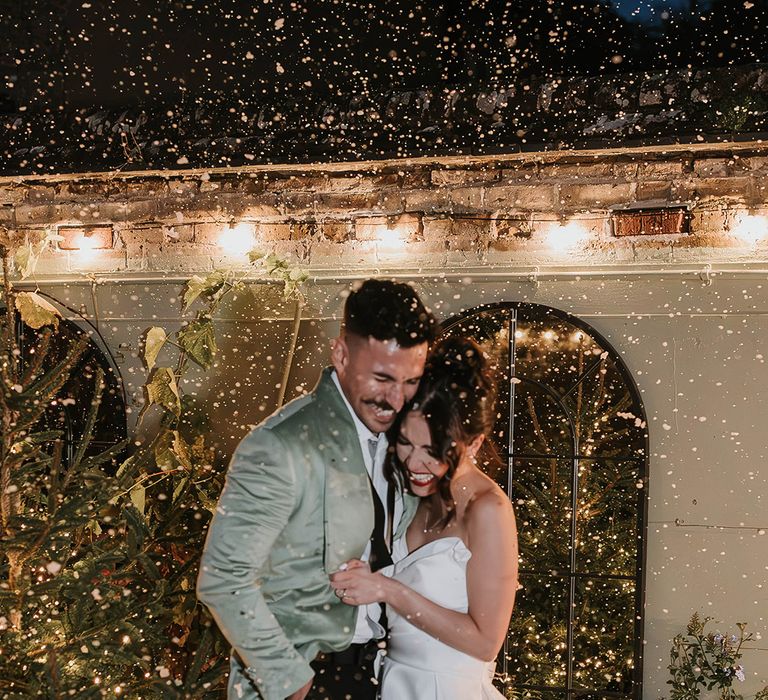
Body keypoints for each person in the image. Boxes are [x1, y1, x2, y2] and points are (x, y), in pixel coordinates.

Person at [197, 279, 438, 700]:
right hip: (310, 677)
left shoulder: (406, 441)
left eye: (410, 381)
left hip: (384, 673)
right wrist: (291, 679)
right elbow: (223, 578)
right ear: (341, 354)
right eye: (382, 378)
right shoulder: (280, 445)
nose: (396, 399)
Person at [330, 336, 519, 700]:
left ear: (475, 443)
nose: (414, 464)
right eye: (405, 443)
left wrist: (388, 589)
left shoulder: (489, 511)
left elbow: (485, 642)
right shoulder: (417, 492)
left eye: (433, 451)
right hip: (391, 682)